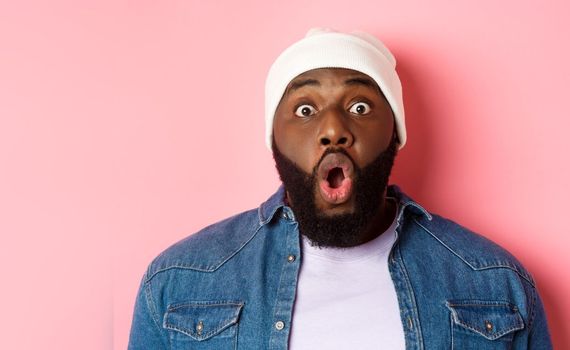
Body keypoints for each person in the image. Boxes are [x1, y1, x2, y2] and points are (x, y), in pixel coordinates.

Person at [127, 28, 552, 349]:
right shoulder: (178, 283)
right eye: (306, 109)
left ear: (395, 132)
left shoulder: (497, 284)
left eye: (360, 107)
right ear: (274, 137)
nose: (333, 129)